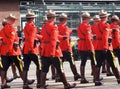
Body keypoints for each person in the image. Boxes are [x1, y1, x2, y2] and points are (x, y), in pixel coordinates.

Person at [40, 10, 76, 89]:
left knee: (44, 69)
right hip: (53, 51)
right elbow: (53, 40)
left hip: (45, 51)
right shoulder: (53, 27)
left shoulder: (44, 27)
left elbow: (45, 37)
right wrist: (52, 53)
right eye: (55, 17)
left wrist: (62, 37)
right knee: (60, 68)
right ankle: (66, 84)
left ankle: (42, 85)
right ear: (53, 18)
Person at [0, 14, 34, 89]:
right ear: (11, 20)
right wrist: (10, 49)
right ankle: (25, 83)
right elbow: (11, 40)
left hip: (4, 52)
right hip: (13, 51)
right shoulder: (12, 28)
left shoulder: (2, 30)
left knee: (4, 69)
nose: (14, 21)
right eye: (13, 19)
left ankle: (3, 83)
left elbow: (2, 41)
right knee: (20, 67)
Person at [94, 10, 120, 86]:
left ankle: (96, 80)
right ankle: (118, 78)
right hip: (105, 47)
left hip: (98, 46)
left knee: (98, 64)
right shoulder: (106, 25)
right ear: (105, 17)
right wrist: (105, 47)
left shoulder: (96, 25)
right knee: (113, 63)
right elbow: (105, 37)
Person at [58, 13, 81, 81]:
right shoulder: (65, 28)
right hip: (66, 48)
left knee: (59, 64)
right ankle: (75, 74)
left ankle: (59, 77)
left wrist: (72, 31)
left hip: (60, 48)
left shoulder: (57, 27)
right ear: (65, 20)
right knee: (72, 62)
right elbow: (66, 37)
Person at [23, 11, 42, 89]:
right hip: (32, 49)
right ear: (31, 19)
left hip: (26, 49)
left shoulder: (26, 26)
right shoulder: (33, 27)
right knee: (39, 66)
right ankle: (39, 83)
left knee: (26, 67)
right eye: (33, 18)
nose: (34, 19)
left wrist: (41, 37)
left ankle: (25, 84)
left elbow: (31, 36)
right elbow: (31, 38)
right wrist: (31, 48)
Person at [77, 12, 97, 84]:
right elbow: (88, 38)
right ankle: (95, 77)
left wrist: (91, 35)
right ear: (88, 18)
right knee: (93, 62)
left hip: (81, 45)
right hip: (87, 45)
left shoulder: (80, 26)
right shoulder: (87, 26)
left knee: (83, 62)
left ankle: (82, 78)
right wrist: (90, 48)